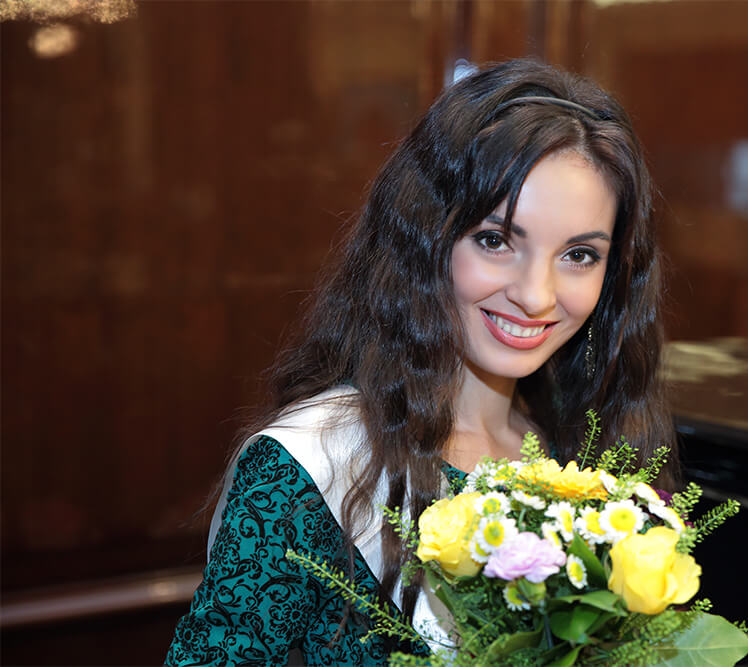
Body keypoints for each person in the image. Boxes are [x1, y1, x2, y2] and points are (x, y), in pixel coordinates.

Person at [165, 57, 677, 666]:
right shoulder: (314, 465)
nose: (537, 295)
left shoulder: (588, 451)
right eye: (495, 241)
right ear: (424, 239)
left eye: (579, 255)